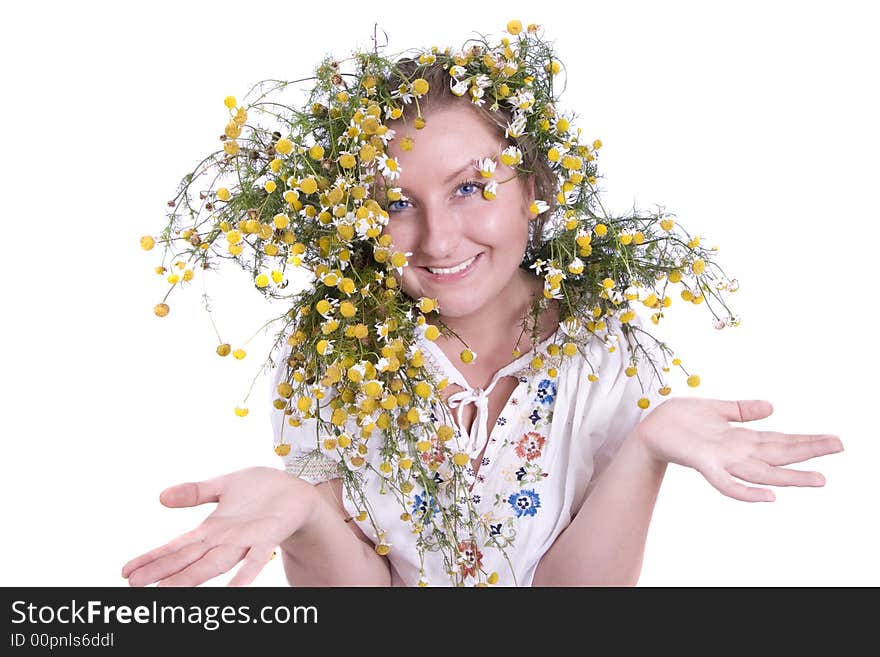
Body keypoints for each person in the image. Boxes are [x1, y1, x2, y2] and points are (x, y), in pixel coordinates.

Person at [123, 26, 844, 588]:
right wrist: (304, 510)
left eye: (470, 187)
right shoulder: (329, 361)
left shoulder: (604, 354)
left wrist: (650, 442)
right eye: (397, 204)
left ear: (533, 185)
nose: (438, 239)